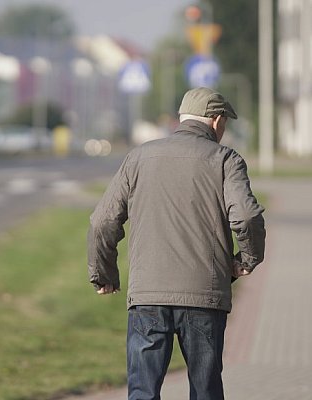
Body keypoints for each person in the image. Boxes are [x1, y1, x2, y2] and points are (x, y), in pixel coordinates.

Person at [87, 87, 266, 400]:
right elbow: (247, 217)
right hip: (205, 296)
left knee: (142, 391)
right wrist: (246, 259)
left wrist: (104, 274)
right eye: (224, 123)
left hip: (147, 294)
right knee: (205, 390)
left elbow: (102, 220)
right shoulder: (225, 159)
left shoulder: (138, 157)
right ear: (216, 120)